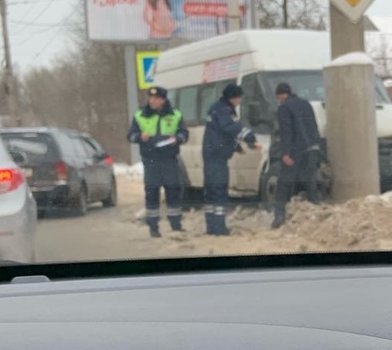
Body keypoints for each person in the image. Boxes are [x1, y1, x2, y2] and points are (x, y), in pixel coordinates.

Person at [127, 86, 188, 237]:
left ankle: (176, 225)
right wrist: (140, 137)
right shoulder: (140, 115)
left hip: (169, 158)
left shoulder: (175, 114)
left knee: (173, 191)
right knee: (152, 192)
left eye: (156, 98)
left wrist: (178, 139)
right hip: (151, 159)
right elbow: (130, 136)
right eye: (150, 97)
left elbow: (184, 133)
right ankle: (153, 228)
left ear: (163, 99)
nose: (152, 100)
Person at [201, 81, 259, 236]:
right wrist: (250, 138)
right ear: (233, 97)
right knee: (218, 191)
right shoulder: (223, 110)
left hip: (212, 155)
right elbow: (230, 128)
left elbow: (221, 134)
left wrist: (236, 147)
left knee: (212, 192)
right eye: (239, 98)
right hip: (216, 158)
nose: (240, 101)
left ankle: (211, 226)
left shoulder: (218, 108)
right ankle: (219, 228)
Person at [271, 81, 321, 229]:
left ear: (280, 96)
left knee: (284, 183)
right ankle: (317, 212)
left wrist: (285, 153)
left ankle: (279, 216)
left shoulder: (284, 108)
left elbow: (287, 132)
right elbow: (313, 126)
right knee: (309, 181)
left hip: (295, 151)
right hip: (312, 148)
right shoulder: (306, 104)